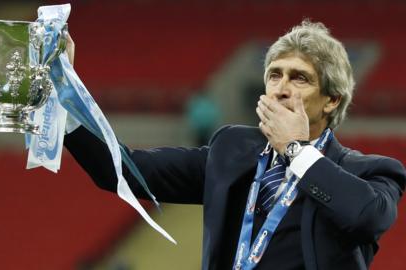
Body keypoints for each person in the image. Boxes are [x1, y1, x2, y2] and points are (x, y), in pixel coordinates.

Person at [63, 20, 405, 270]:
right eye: (275, 75)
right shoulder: (233, 149)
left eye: (299, 78)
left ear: (331, 100)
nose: (281, 88)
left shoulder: (369, 171)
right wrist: (66, 99)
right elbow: (125, 169)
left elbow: (367, 216)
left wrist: (296, 150)